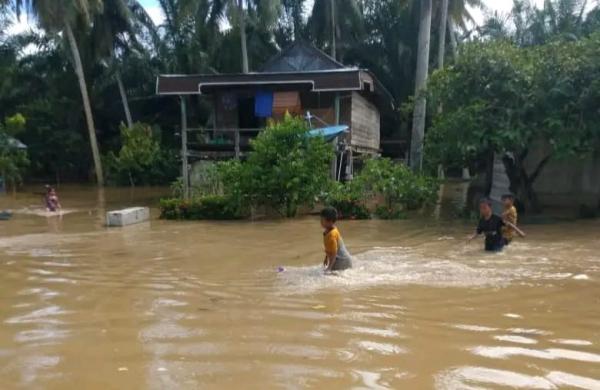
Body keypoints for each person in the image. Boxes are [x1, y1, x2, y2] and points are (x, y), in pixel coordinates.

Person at [320, 207, 352, 272]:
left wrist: (329, 268)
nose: (320, 222)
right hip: (341, 259)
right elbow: (329, 248)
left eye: (322, 220)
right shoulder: (329, 230)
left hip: (342, 261)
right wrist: (326, 258)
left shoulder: (332, 235)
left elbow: (334, 254)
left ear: (330, 221)